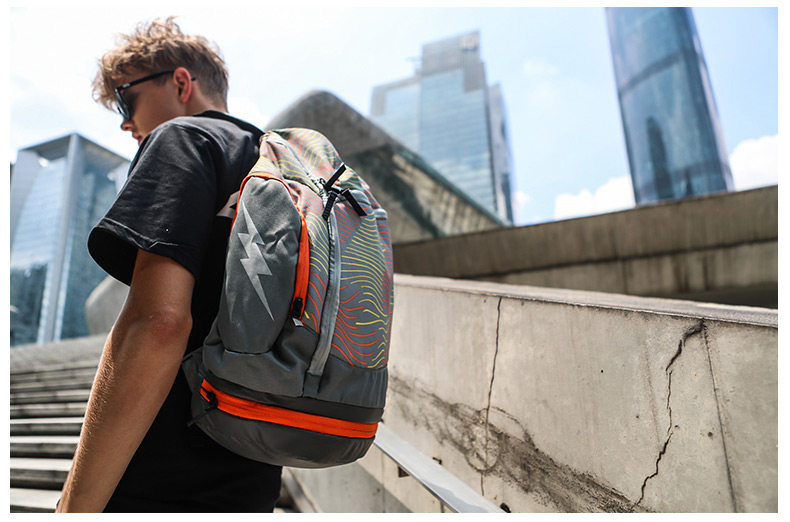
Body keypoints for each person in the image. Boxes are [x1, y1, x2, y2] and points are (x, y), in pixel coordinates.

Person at [56, 17, 282, 512]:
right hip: (252, 475)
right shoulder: (280, 169)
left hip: (160, 481)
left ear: (181, 83)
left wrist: (74, 506)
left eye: (126, 99)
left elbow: (159, 322)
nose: (125, 122)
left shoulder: (185, 139)